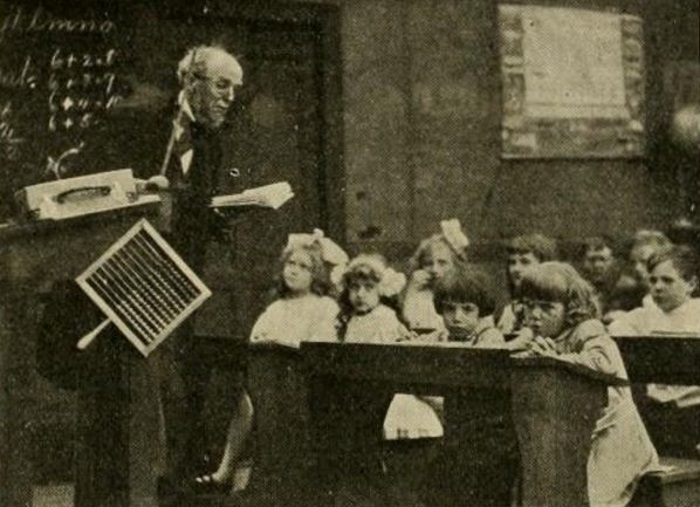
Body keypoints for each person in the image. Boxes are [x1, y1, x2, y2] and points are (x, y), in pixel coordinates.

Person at [155, 45, 246, 487]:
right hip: (148, 270)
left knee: (186, 374)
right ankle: (165, 476)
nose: (230, 97)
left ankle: (182, 479)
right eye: (222, 85)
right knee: (163, 378)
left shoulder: (214, 137)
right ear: (192, 82)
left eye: (235, 89)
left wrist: (219, 214)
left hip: (189, 271)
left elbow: (195, 203)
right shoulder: (155, 125)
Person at [193, 229, 345, 493]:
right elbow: (257, 340)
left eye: (303, 267)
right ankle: (230, 467)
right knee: (246, 395)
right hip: (269, 380)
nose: (294, 271)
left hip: (303, 382)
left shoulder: (324, 307)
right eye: (290, 264)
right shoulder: (276, 308)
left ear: (316, 274)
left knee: (263, 398)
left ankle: (239, 471)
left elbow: (321, 346)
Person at [519, 262, 658, 507]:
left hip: (613, 433)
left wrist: (556, 359)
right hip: (575, 433)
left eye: (546, 307)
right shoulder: (544, 333)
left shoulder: (588, 329)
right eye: (529, 306)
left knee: (587, 494)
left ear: (571, 309)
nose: (535, 315)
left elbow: (603, 364)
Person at [419, 266, 516, 507]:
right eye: (449, 309)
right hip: (458, 434)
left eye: (467, 309)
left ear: (481, 311)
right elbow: (423, 345)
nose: (457, 317)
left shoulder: (488, 336)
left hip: (490, 436)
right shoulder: (445, 335)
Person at [608, 245, 700, 458]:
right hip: (657, 414)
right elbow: (613, 330)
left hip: (694, 414)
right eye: (653, 280)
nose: (658, 287)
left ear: (691, 284)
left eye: (667, 280)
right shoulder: (644, 316)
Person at [401, 219, 469, 333]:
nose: (434, 269)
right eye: (428, 263)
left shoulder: (465, 293)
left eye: (442, 263)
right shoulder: (420, 294)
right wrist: (411, 291)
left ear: (456, 265)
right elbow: (409, 320)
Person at [336, 254, 411, 343]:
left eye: (369, 288)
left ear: (381, 291)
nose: (360, 294)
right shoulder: (349, 316)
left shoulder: (384, 318)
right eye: (355, 287)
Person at [497, 233, 558, 335]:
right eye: (512, 262)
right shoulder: (508, 311)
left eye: (525, 262)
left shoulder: (554, 307)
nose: (515, 269)